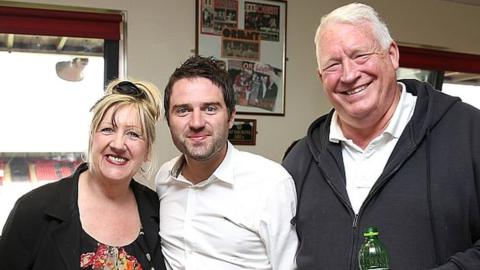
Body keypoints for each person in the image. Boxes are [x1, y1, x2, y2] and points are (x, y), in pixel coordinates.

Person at [282, 3, 480, 270]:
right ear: (321, 78)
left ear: (392, 55)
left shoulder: (468, 132)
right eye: (333, 65)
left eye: (360, 55)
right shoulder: (299, 160)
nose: (349, 75)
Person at [0, 80, 167, 270]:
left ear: (147, 152)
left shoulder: (161, 213)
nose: (118, 144)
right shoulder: (33, 210)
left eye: (134, 134)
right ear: (92, 138)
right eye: (107, 130)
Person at [156, 55, 298, 270]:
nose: (196, 123)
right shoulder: (165, 179)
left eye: (210, 109)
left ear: (231, 117)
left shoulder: (271, 183)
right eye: (183, 110)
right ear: (168, 120)